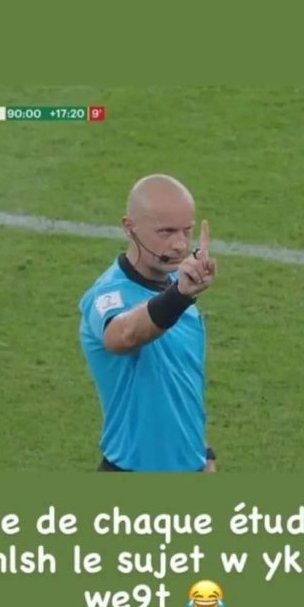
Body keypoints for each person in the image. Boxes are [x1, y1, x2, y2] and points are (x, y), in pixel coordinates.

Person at [78, 173, 218, 472]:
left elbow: (180, 381)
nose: (180, 244)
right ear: (129, 227)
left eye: (187, 230)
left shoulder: (178, 288)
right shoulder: (108, 294)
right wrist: (179, 295)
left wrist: (204, 454)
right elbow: (124, 336)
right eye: (166, 232)